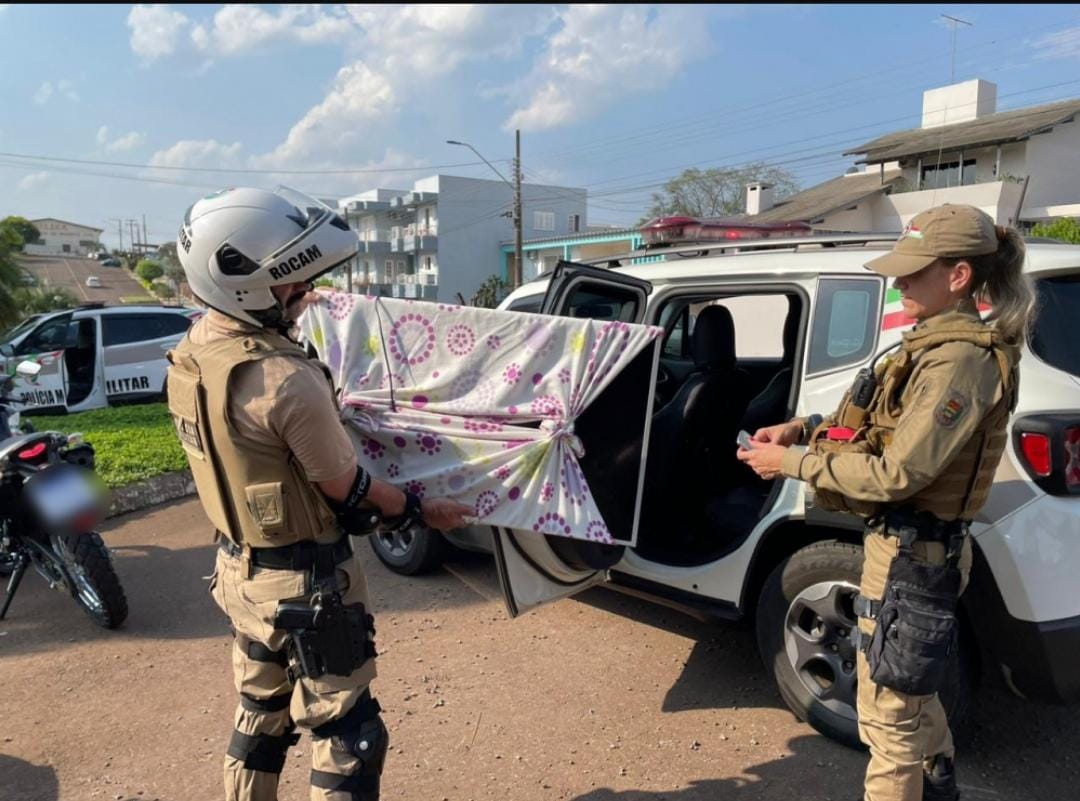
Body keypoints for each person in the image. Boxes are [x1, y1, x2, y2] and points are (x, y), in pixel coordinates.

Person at [166, 186, 471, 801]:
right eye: (295, 285)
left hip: (240, 571)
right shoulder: (284, 379)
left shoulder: (196, 350)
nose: (307, 295)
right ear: (248, 285)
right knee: (348, 735)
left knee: (261, 717)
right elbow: (350, 490)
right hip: (307, 585)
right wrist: (419, 509)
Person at [737, 204, 1034, 801]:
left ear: (958, 277)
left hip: (912, 561)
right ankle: (939, 782)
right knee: (910, 697)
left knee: (887, 720)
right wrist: (802, 429)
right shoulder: (932, 348)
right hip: (906, 554)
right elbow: (885, 427)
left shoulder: (959, 361)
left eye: (912, 271)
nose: (899, 283)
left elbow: (899, 473)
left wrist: (787, 463)